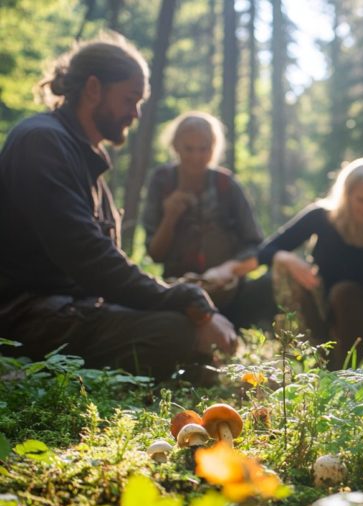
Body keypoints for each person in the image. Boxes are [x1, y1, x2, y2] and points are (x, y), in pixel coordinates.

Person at [0, 35, 237, 379]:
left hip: (69, 308)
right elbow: (89, 258)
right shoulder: (42, 142)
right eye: (130, 99)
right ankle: (29, 373)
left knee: (174, 325)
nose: (136, 113)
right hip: (26, 315)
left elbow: (106, 268)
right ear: (94, 89)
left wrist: (180, 301)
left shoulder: (85, 157)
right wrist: (184, 300)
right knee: (173, 331)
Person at [257, 157, 363, 369]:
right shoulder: (321, 217)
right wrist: (286, 257)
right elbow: (265, 252)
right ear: (347, 195)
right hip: (322, 313)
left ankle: (342, 369)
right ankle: (306, 356)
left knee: (345, 293)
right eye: (361, 200)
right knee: (289, 273)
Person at [142, 111, 277, 331]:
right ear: (175, 146)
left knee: (271, 283)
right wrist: (170, 217)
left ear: (214, 148)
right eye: (189, 149)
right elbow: (155, 254)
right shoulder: (162, 182)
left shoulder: (227, 185)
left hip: (231, 295)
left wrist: (228, 270)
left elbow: (256, 248)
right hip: (180, 295)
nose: (196, 157)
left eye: (203, 149)